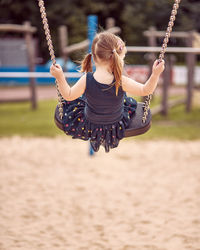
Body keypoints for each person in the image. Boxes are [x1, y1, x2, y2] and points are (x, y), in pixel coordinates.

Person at [50, 31, 165, 152]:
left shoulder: (86, 79)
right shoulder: (120, 81)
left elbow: (68, 96)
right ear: (118, 58)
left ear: (93, 57)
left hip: (90, 123)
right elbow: (145, 90)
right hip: (115, 124)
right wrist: (156, 74)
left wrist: (60, 77)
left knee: (76, 104)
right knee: (127, 104)